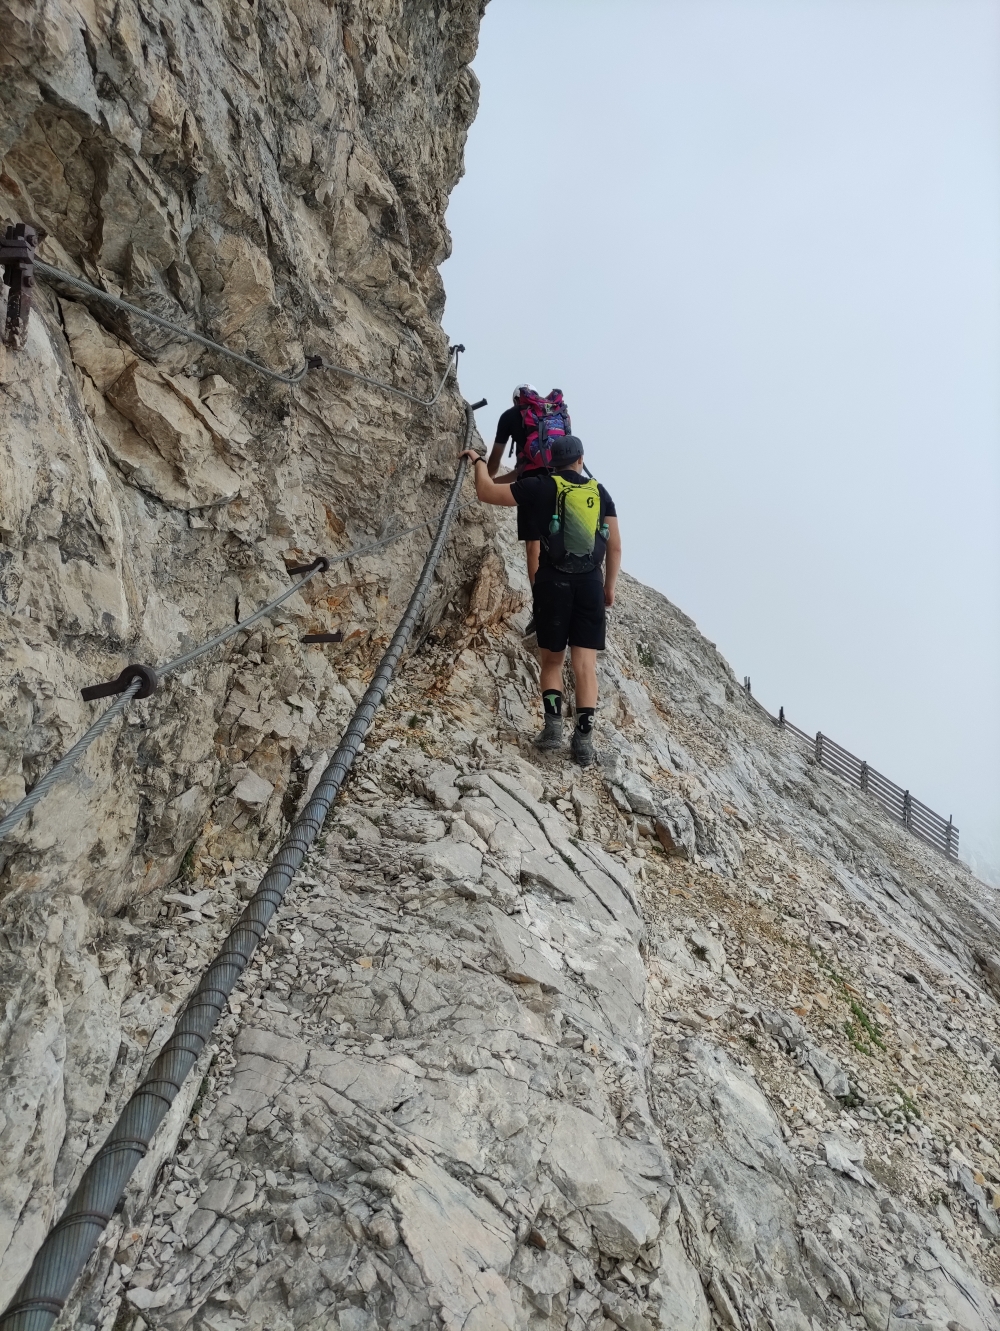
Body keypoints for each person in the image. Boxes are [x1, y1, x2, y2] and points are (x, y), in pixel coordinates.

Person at [461, 434, 621, 766]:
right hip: (589, 585)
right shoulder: (599, 492)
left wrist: (478, 461)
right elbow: (615, 546)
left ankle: (552, 732)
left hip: (552, 584)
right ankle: (584, 743)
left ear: (551, 462)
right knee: (586, 667)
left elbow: (486, 492)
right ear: (580, 459)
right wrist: (608, 588)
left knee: (552, 663)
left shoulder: (538, 485)